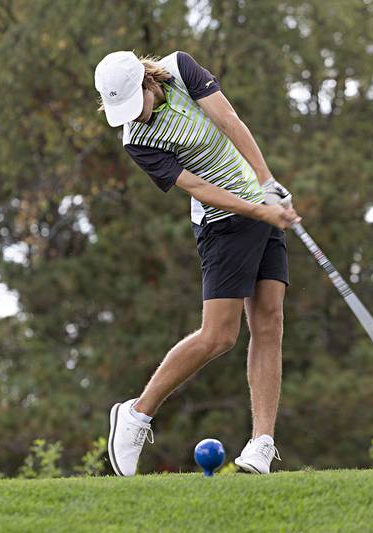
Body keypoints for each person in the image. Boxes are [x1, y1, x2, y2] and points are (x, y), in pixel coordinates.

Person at [94, 50, 300, 476]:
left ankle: (262, 443)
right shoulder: (137, 141)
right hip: (223, 224)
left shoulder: (182, 71)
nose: (136, 115)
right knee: (219, 336)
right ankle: (135, 414)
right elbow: (200, 188)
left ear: (149, 83)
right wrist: (260, 210)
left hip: (257, 199)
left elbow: (230, 122)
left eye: (138, 102)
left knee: (269, 321)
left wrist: (267, 183)